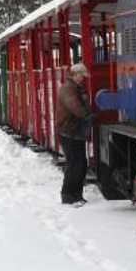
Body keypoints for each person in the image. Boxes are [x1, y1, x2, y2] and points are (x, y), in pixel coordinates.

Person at [55, 62, 95, 205]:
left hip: (76, 132)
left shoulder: (76, 87)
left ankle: (77, 194)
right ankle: (67, 195)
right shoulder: (68, 88)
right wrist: (86, 114)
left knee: (81, 164)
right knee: (74, 164)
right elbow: (73, 105)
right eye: (81, 76)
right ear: (75, 74)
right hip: (69, 132)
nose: (83, 79)